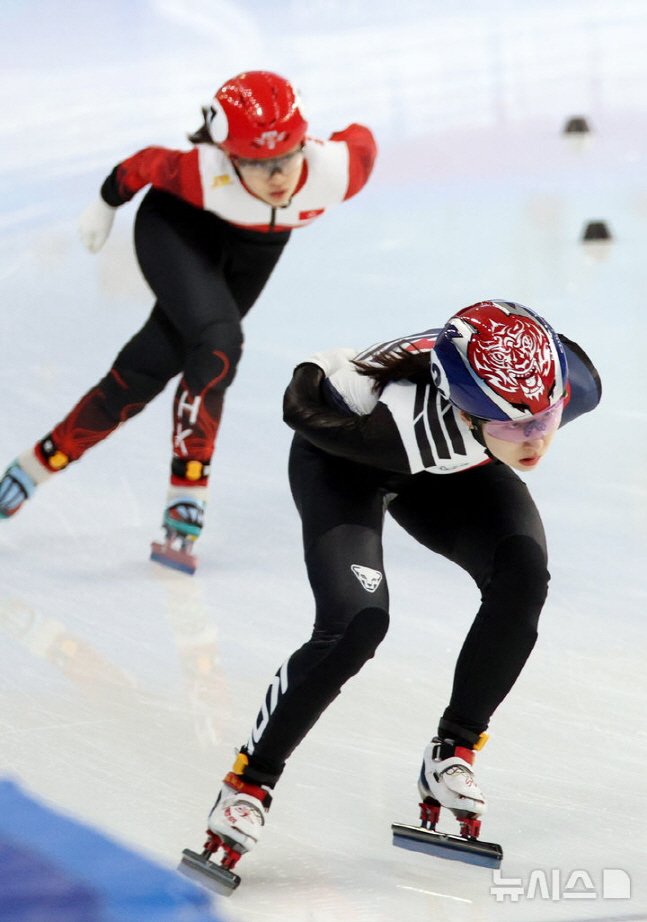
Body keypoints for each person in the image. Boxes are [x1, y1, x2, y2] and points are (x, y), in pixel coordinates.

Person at [190, 299, 601, 880]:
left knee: (522, 578)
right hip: (345, 460)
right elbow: (298, 411)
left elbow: (535, 386)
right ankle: (248, 785)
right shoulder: (410, 427)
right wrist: (318, 367)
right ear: (467, 412)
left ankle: (452, 754)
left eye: (546, 419)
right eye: (516, 425)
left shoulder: (570, 385)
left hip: (452, 461)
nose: (536, 439)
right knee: (356, 623)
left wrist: (519, 419)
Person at [0, 70, 377, 571]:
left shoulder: (339, 169)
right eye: (257, 164)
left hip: (254, 249)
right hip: (176, 228)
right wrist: (104, 206)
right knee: (219, 344)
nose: (278, 177)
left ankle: (26, 472)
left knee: (144, 371)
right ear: (228, 155)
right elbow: (138, 167)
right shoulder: (202, 173)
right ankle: (187, 497)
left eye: (286, 156)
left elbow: (363, 137)